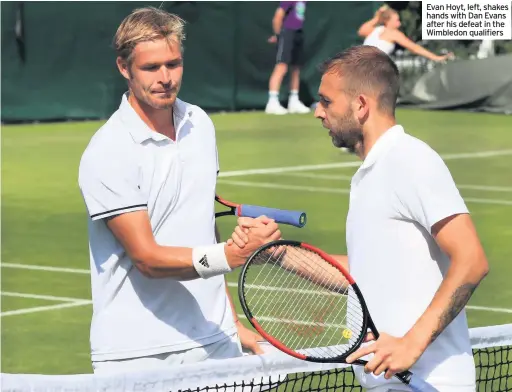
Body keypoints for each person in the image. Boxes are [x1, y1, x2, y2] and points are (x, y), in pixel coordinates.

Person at [233, 45, 489, 391]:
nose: (317, 112)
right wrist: (277, 252)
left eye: (326, 101)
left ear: (361, 105)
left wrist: (411, 343)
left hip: (430, 384)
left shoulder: (410, 160)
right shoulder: (371, 174)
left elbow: (472, 260)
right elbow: (363, 273)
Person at [78, 7, 280, 374]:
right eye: (151, 68)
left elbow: (203, 225)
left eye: (173, 64)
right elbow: (147, 258)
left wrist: (230, 321)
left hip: (214, 338)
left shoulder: (200, 124)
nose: (165, 78)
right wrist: (229, 255)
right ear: (124, 68)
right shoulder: (108, 151)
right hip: (138, 354)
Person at [358, 5, 453, 62]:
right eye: (397, 20)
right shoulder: (382, 30)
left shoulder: (388, 32)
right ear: (387, 21)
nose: (399, 23)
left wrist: (436, 57)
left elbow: (414, 48)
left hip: (366, 65)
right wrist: (378, 17)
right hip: (363, 64)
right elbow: (361, 31)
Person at [265, 1, 311, 115]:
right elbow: (278, 16)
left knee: (296, 69)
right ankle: (272, 101)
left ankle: (294, 101)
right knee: (282, 66)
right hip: (287, 33)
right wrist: (278, 35)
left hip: (298, 33)